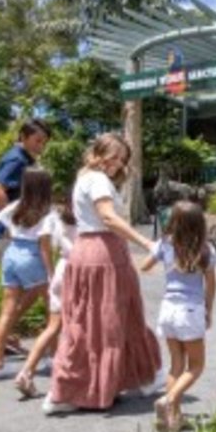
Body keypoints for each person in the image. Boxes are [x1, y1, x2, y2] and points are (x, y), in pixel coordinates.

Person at [43, 133, 162, 415]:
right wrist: (147, 243)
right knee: (112, 321)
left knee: (89, 322)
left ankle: (92, 387)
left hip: (87, 250)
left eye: (122, 159)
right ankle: (137, 379)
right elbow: (108, 217)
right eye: (113, 156)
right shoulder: (97, 180)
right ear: (98, 153)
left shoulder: (85, 178)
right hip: (104, 253)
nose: (117, 163)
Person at [139, 201, 216, 432]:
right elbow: (211, 284)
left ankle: (174, 418)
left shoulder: (165, 244)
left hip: (168, 310)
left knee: (176, 365)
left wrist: (157, 250)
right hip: (190, 311)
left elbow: (144, 267)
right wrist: (208, 310)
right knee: (196, 366)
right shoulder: (205, 250)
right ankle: (169, 400)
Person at [0, 168, 57, 382]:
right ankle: (53, 357)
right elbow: (45, 247)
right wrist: (51, 274)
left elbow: (5, 228)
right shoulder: (47, 213)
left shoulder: (15, 207)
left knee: (7, 311)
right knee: (52, 310)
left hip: (11, 254)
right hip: (32, 256)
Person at [0, 119, 51, 356]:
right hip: (10, 236)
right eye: (37, 140)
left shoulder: (23, 158)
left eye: (44, 141)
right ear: (23, 137)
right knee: (32, 288)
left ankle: (3, 337)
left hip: (15, 235)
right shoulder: (17, 159)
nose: (41, 145)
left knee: (24, 290)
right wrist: (12, 224)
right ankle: (1, 337)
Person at [14, 192, 76, 398]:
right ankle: (72, 379)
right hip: (80, 271)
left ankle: (26, 372)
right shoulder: (89, 220)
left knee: (53, 326)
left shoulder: (53, 218)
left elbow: (45, 246)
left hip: (61, 269)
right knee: (82, 326)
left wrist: (49, 273)